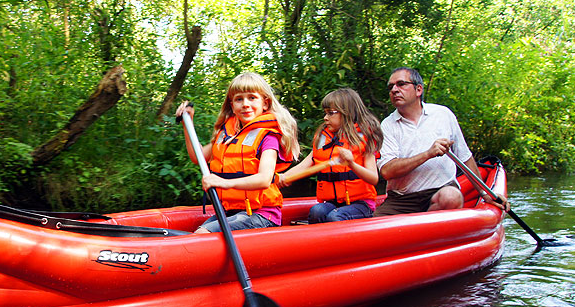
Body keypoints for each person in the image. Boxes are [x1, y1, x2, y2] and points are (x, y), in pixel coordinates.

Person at [176, 72, 300, 233]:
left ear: (265, 103)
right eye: (239, 99)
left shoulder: (268, 137)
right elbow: (197, 157)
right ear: (232, 106)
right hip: (233, 211)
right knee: (198, 233)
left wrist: (224, 183)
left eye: (252, 98)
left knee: (202, 234)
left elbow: (264, 179)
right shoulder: (227, 135)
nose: (245, 104)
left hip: (261, 214)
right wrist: (188, 125)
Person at [374, 67, 508, 216]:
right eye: (390, 87)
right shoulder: (387, 125)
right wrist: (428, 154)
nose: (394, 90)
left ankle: (426, 232)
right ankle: (421, 232)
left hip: (441, 190)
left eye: (401, 84)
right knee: (370, 232)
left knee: (451, 196)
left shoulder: (443, 114)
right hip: (402, 199)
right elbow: (387, 171)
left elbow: (465, 158)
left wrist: (485, 194)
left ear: (418, 90)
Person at [277, 88, 383, 223]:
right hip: (333, 202)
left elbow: (373, 178)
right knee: (317, 211)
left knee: (335, 217)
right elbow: (306, 164)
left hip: (360, 204)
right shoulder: (323, 137)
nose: (325, 118)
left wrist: (352, 164)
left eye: (331, 113)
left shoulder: (364, 138)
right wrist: (285, 177)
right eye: (325, 113)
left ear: (347, 113)